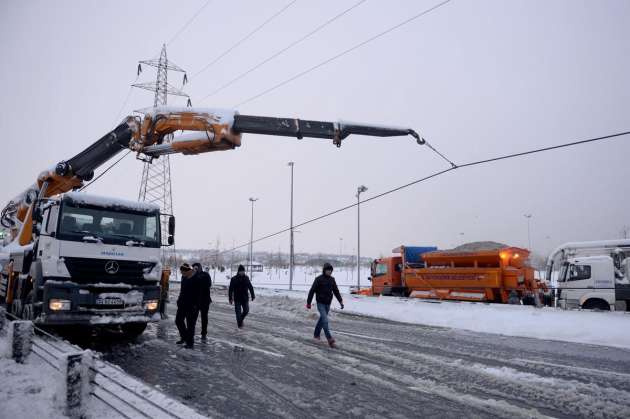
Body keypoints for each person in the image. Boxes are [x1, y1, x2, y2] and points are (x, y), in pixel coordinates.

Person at [307, 262, 344, 348]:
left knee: (322, 320)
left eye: (330, 270)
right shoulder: (318, 279)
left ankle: (316, 335)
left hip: (328, 303)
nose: (329, 272)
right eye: (328, 270)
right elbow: (312, 291)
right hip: (320, 303)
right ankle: (329, 339)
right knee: (325, 320)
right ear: (324, 270)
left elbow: (336, 291)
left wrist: (341, 301)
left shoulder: (332, 280)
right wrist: (308, 303)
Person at [175, 263, 199, 349]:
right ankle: (184, 337)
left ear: (188, 271)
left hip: (192, 306)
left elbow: (199, 294)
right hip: (182, 304)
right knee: (178, 321)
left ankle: (190, 343)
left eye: (183, 272)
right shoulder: (184, 277)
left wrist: (196, 305)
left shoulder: (196, 279)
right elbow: (182, 290)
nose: (182, 274)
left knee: (190, 325)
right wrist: (179, 299)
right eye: (181, 272)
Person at [192, 262, 212, 340]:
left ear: (200, 267)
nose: (195, 269)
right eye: (194, 268)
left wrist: (198, 279)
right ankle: (192, 331)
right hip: (195, 301)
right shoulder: (193, 275)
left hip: (205, 300)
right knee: (193, 317)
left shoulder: (206, 275)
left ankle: (204, 333)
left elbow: (209, 284)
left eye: (196, 268)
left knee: (204, 317)